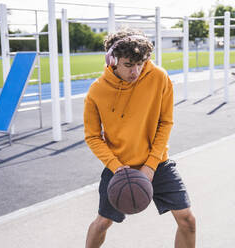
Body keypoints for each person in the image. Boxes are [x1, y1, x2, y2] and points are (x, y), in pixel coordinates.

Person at [83, 29, 196, 248]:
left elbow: (165, 123)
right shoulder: (96, 91)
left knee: (188, 220)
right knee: (103, 223)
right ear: (112, 60)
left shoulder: (159, 77)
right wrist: (116, 167)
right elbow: (93, 137)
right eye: (128, 65)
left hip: (157, 163)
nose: (135, 71)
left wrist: (151, 165)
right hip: (119, 167)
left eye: (140, 63)